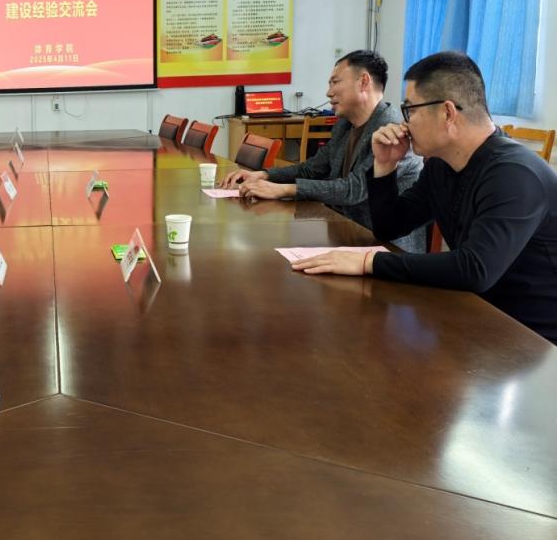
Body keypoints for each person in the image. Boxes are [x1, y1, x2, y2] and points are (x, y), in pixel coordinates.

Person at [293, 51, 557, 343]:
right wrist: (385, 166)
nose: (404, 124)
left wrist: (369, 262)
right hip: (477, 317)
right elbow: (390, 226)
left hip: (534, 339)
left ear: (447, 112)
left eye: (410, 110)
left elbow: (475, 268)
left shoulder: (514, 174)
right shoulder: (441, 166)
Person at [220, 50, 425, 252]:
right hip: (341, 233)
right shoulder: (344, 125)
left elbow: (354, 190)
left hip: (382, 246)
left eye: (335, 82)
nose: (328, 93)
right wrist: (264, 175)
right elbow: (312, 169)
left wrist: (284, 189)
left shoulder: (391, 131)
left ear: (363, 82)